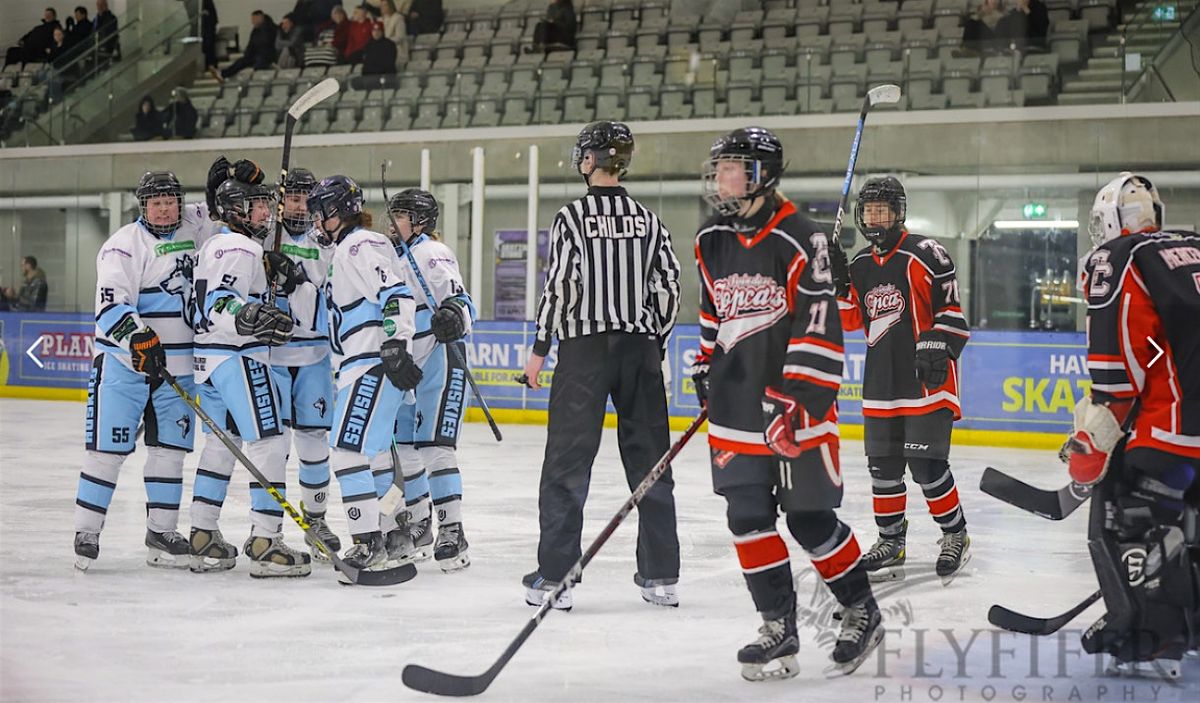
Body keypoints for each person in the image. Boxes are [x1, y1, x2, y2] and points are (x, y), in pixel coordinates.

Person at [694, 127, 883, 679]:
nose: (722, 178)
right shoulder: (710, 238)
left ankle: (861, 609)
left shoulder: (801, 237)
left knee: (809, 519)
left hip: (794, 409)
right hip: (736, 409)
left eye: (733, 167)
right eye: (720, 168)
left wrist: (796, 400)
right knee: (747, 517)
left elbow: (820, 326)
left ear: (761, 175)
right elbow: (713, 313)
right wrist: (706, 364)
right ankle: (778, 626)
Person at [520, 120, 682, 611]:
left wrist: (540, 348)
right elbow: (669, 287)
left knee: (568, 463)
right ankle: (661, 576)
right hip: (640, 349)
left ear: (590, 160)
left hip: (585, 352)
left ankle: (556, 577)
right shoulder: (648, 220)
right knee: (651, 462)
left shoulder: (571, 217)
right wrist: (654, 344)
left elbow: (561, 285)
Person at [1061, 173, 1200, 680]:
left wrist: (1095, 436)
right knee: (1191, 516)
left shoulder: (1118, 257)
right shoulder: (1192, 246)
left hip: (1175, 426)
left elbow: (1117, 372)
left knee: (1134, 510)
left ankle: (1152, 632)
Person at [829, 177, 972, 585]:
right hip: (881, 385)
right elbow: (851, 320)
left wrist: (938, 342)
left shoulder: (925, 254)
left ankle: (955, 534)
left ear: (898, 213)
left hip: (926, 383)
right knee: (883, 469)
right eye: (869, 211)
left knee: (927, 467)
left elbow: (953, 314)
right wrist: (838, 284)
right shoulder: (859, 264)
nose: (875, 218)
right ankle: (891, 540)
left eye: (882, 210)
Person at [72, 172, 198, 571]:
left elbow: (226, 213)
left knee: (170, 452)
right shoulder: (123, 245)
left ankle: (161, 531)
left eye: (170, 201)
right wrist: (138, 336)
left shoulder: (195, 227)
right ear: (143, 206)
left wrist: (228, 183)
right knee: (107, 451)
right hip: (125, 365)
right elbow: (111, 305)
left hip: (177, 369)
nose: (163, 209)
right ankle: (87, 531)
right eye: (155, 202)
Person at [190, 178, 309, 578]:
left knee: (220, 446)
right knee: (270, 443)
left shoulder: (216, 243)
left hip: (209, 360)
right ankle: (265, 542)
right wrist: (248, 316)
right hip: (239, 357)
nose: (266, 212)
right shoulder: (241, 246)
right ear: (236, 210)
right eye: (257, 205)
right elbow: (221, 300)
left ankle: (202, 533)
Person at [307, 175, 422, 572]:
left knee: (346, 451)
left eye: (320, 213)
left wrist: (397, 342)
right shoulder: (348, 249)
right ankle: (394, 532)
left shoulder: (359, 244)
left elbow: (396, 293)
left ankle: (367, 541)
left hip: (371, 361)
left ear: (337, 212)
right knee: (373, 456)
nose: (316, 221)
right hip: (362, 363)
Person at [384, 188, 476, 572]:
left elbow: (461, 301)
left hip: (441, 359)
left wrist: (454, 316)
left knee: (436, 447)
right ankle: (420, 524)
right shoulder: (391, 256)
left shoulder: (431, 252)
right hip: (408, 366)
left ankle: (452, 529)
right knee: (405, 448)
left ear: (420, 221)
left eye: (400, 215)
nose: (392, 223)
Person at [261, 167, 341, 562]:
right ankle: (268, 528)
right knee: (272, 445)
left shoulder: (326, 242)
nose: (299, 206)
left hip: (314, 356)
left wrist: (296, 281)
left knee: (313, 440)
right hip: (271, 355)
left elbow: (331, 294)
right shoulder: (263, 235)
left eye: (306, 199)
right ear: (280, 201)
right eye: (293, 198)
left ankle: (316, 521)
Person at [220, 10, 277, 79]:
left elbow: (266, 46)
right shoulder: (255, 30)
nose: (252, 22)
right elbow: (251, 44)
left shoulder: (269, 28)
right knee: (241, 61)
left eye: (254, 19)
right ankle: (223, 74)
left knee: (260, 58)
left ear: (260, 18)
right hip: (255, 55)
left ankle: (255, 70)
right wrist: (247, 55)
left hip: (267, 56)